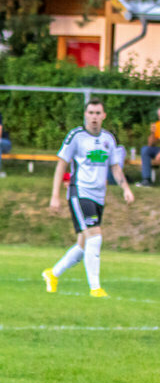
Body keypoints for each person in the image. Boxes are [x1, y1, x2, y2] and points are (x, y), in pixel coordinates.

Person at [42, 98, 134, 298]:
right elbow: (61, 165)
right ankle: (95, 288)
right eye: (90, 113)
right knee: (96, 236)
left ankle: (53, 273)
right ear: (85, 115)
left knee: (83, 245)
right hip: (79, 192)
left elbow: (115, 167)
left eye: (97, 113)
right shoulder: (76, 136)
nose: (94, 117)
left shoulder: (109, 139)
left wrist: (126, 188)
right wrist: (55, 196)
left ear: (103, 116)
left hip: (99, 196)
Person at [136, 105, 160, 187]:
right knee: (145, 149)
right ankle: (146, 179)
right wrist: (153, 133)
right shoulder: (157, 125)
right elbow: (151, 144)